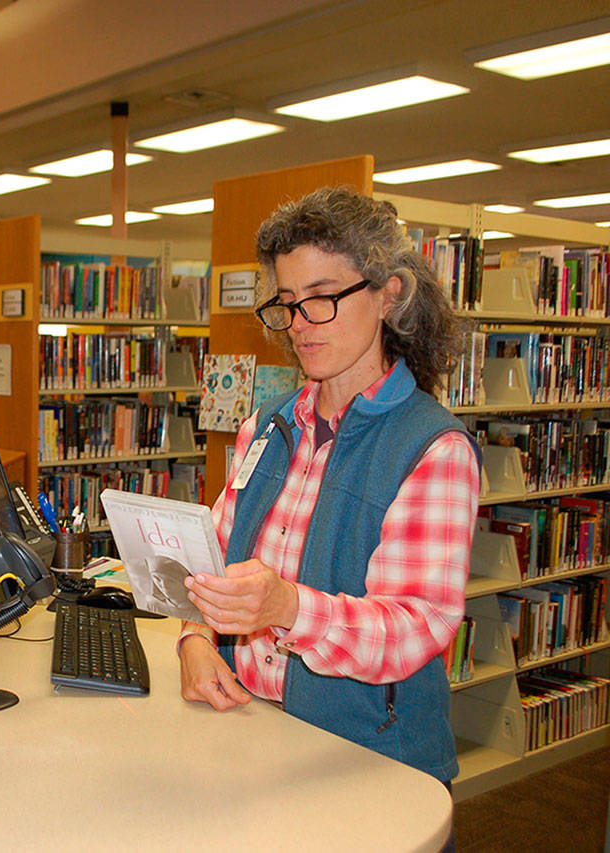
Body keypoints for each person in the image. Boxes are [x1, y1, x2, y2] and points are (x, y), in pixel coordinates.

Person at [177, 185, 479, 788]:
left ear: (389, 294)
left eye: (322, 298)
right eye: (288, 302)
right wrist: (195, 639)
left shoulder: (432, 448)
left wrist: (288, 606)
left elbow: (416, 627)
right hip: (259, 738)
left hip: (373, 766)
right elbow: (213, 556)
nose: (300, 325)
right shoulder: (269, 424)